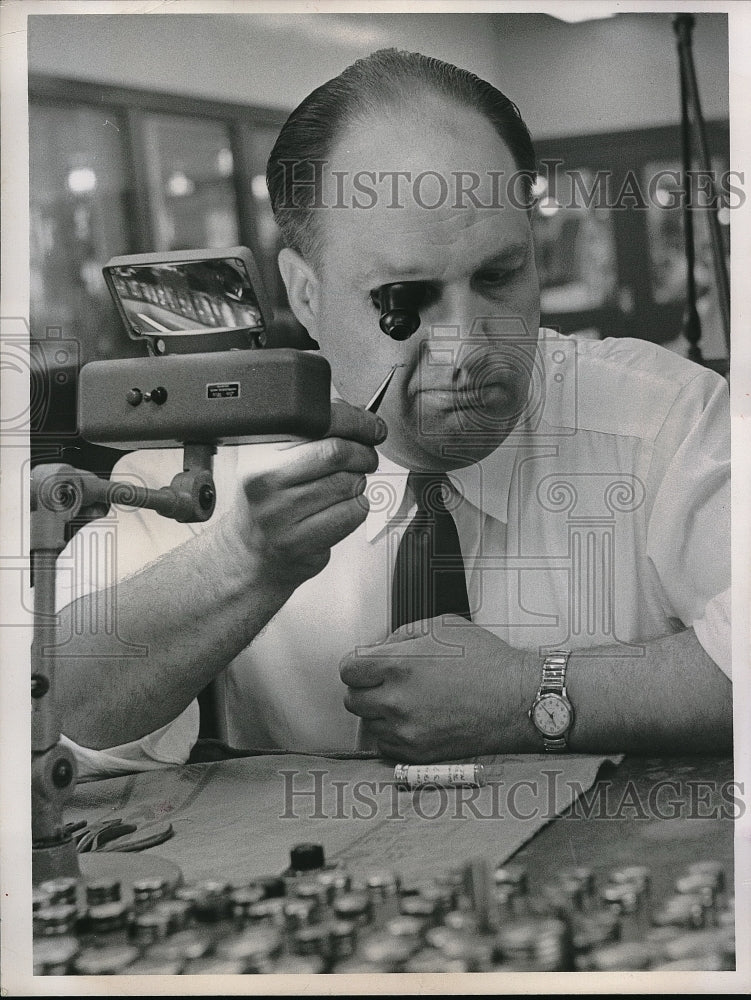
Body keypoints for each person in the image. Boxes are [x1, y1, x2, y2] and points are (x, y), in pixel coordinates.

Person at [54, 49, 731, 778]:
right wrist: (242, 562)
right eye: (404, 299)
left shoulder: (663, 420)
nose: (468, 347)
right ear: (306, 295)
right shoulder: (205, 459)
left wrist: (531, 695)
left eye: (499, 276)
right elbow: (52, 718)